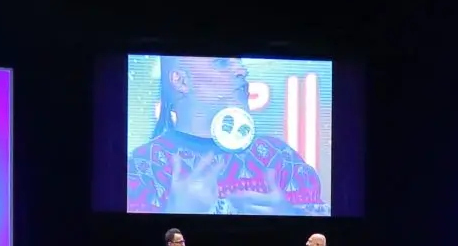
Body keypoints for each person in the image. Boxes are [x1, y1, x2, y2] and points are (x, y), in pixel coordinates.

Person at [125, 54, 327, 215]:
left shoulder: (278, 156)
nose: (242, 70)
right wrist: (175, 212)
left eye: (238, 61)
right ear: (181, 81)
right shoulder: (142, 165)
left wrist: (290, 215)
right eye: (222, 62)